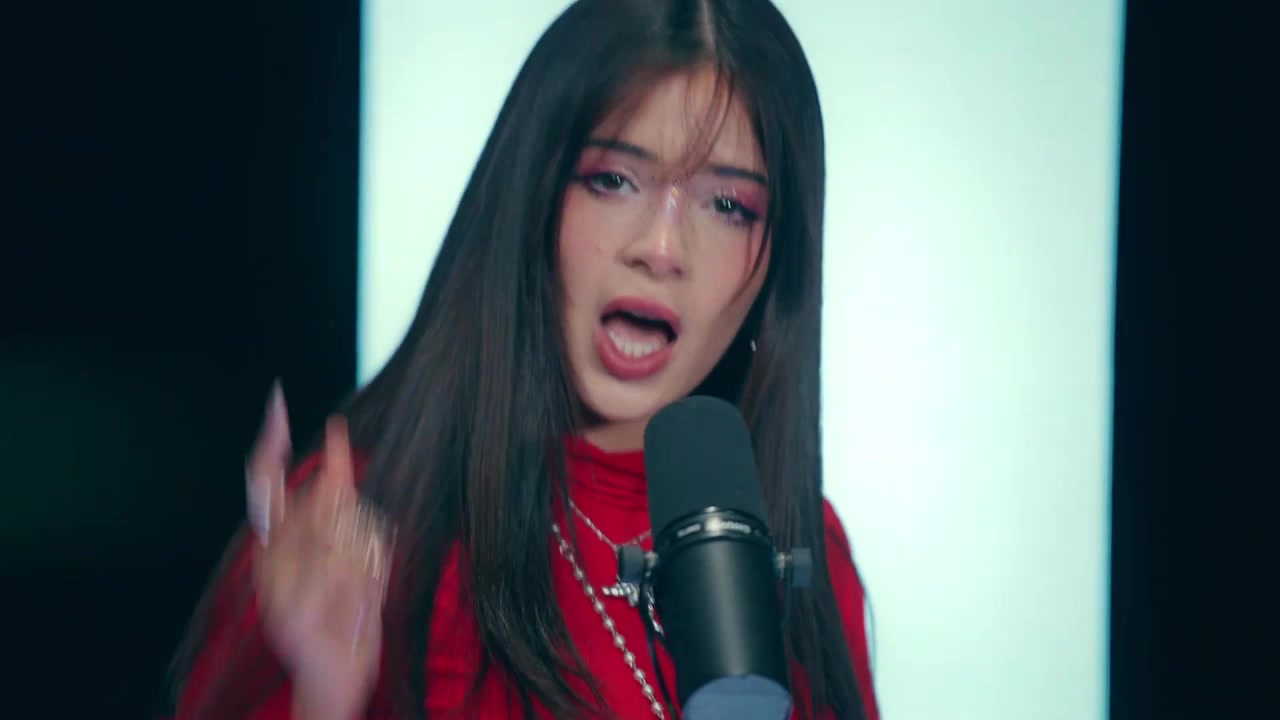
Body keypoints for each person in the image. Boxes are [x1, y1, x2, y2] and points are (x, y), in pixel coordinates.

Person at [170, 1, 880, 718]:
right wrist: (324, 694)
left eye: (727, 205)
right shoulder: (360, 525)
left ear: (776, 266)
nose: (661, 249)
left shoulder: (805, 553)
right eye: (613, 180)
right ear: (534, 197)